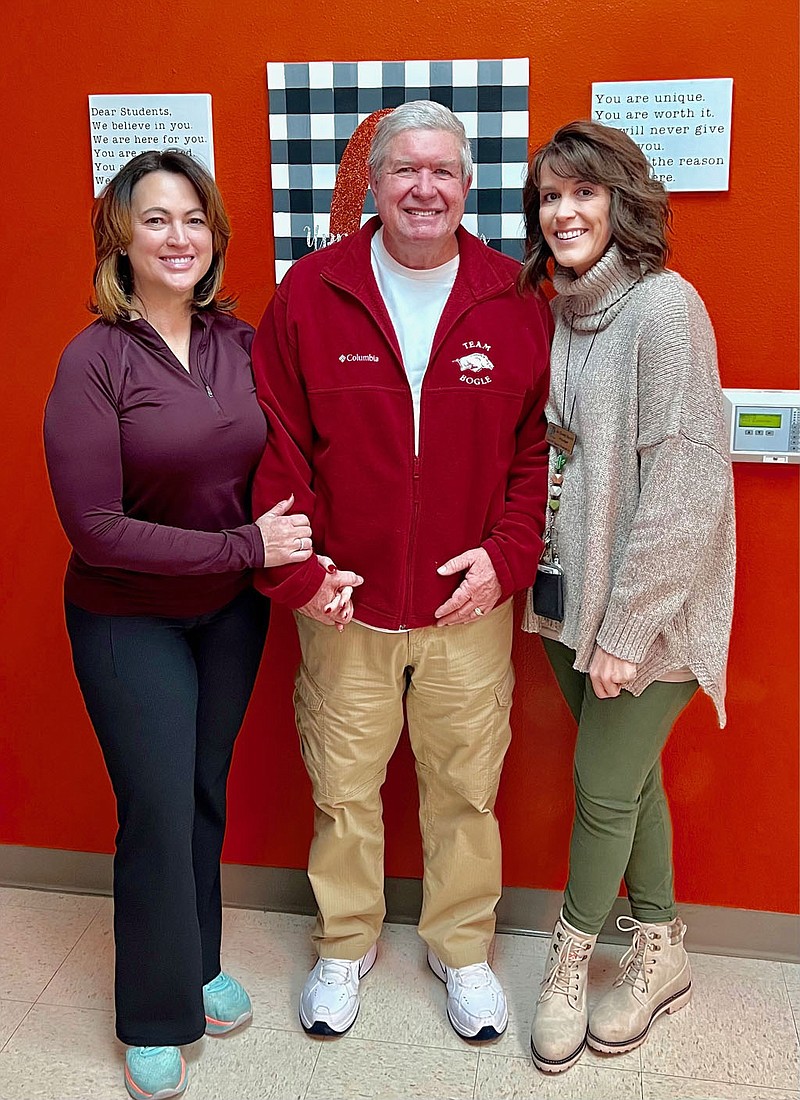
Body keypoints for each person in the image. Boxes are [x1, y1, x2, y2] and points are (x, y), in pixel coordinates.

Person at [251, 101, 552, 1042]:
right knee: (342, 786)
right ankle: (346, 941)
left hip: (469, 605)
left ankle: (462, 951)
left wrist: (505, 563)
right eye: (404, 171)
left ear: (468, 185)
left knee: (466, 787)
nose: (425, 189)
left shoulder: (512, 297)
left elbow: (536, 454)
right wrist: (305, 575)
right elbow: (276, 446)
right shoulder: (311, 291)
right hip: (345, 603)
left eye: (444, 172)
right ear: (372, 182)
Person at [44, 149, 313, 1100]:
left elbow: (293, 457)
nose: (178, 237)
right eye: (156, 219)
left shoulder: (239, 343)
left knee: (200, 789)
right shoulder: (95, 360)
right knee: (155, 805)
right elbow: (98, 529)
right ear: (121, 235)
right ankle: (154, 1014)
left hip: (228, 620)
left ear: (216, 236)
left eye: (193, 218)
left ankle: (196, 961)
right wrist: (248, 548)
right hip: (129, 622)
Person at [518, 120, 735, 1073]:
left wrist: (628, 630)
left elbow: (689, 485)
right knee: (631, 781)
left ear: (621, 203)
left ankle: (572, 962)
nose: (563, 212)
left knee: (602, 791)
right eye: (549, 196)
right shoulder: (565, 311)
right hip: (575, 604)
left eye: (582, 193)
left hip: (648, 615)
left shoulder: (666, 308)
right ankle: (663, 947)